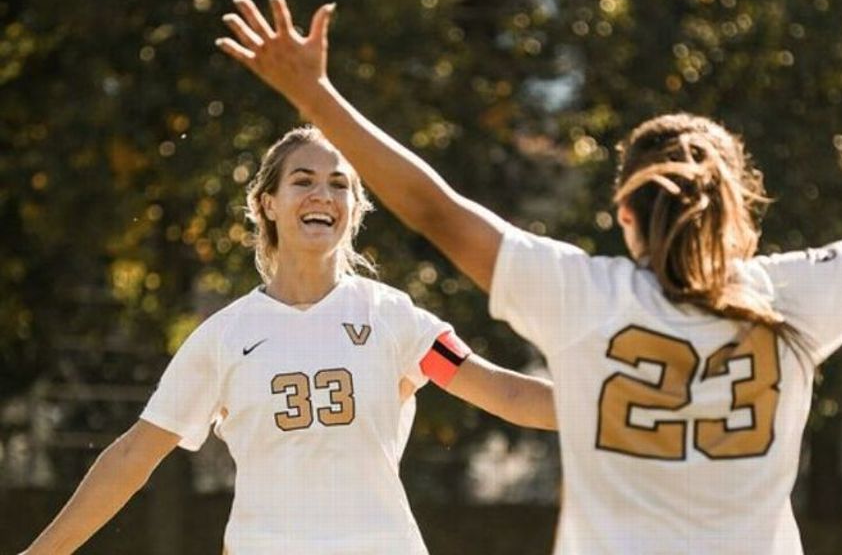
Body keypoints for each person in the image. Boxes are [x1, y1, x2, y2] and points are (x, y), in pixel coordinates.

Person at [216, 0, 842, 554]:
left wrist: (316, 97)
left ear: (627, 213)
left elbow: (433, 210)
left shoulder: (582, 297)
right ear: (741, 206)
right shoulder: (797, 295)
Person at [20, 126, 556, 555]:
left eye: (339, 183)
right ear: (267, 204)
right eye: (303, 180)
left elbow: (504, 393)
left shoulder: (394, 319)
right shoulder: (224, 337)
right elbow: (135, 455)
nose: (322, 193)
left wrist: (616, 404)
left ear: (354, 210)